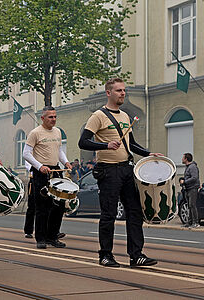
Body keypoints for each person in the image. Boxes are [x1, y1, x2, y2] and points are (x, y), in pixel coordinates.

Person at [78, 77, 161, 267]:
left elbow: (130, 144)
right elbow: (83, 142)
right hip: (108, 171)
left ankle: (136, 255)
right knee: (109, 214)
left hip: (126, 169)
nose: (123, 93)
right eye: (118, 91)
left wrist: (149, 154)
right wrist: (105, 144)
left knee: (134, 212)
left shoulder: (125, 116)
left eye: (124, 90)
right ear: (108, 93)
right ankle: (105, 255)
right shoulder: (98, 116)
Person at [23, 107, 72, 249]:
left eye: (55, 117)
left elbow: (59, 150)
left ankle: (52, 236)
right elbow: (26, 153)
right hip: (41, 172)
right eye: (50, 117)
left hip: (55, 170)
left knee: (59, 205)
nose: (53, 119)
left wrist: (66, 162)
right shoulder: (35, 133)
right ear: (42, 118)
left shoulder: (57, 132)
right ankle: (41, 238)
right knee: (42, 207)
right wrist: (39, 166)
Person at [182, 153, 200, 228]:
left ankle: (195, 223)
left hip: (192, 188)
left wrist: (185, 182)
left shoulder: (192, 167)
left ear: (186, 159)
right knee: (189, 206)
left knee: (192, 205)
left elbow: (194, 177)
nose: (182, 159)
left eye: (183, 158)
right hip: (188, 188)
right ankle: (190, 222)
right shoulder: (188, 167)